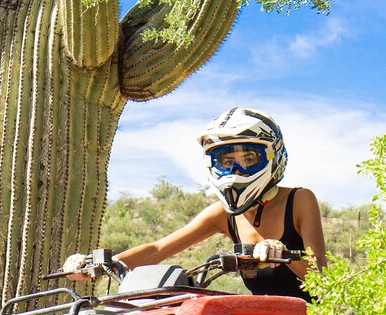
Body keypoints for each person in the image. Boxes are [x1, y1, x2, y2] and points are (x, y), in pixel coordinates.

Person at [64, 107, 326, 301]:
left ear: (273, 156)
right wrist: (97, 263)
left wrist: (282, 253)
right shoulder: (223, 214)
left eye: (249, 158)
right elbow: (159, 248)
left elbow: (321, 280)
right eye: (226, 161)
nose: (237, 169)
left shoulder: (300, 200)